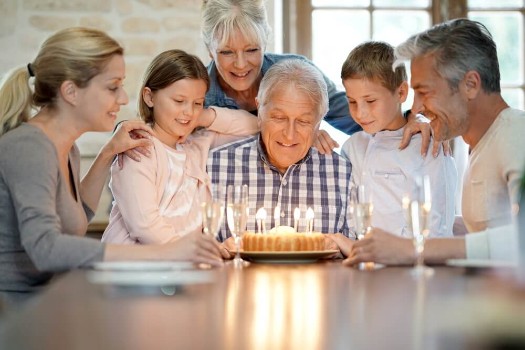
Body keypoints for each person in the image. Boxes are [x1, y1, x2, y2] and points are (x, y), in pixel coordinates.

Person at [0, 28, 223, 305]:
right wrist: (168, 251)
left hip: (49, 297)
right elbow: (46, 248)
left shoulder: (68, 149)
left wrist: (108, 153)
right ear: (71, 91)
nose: (123, 98)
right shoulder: (29, 147)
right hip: (15, 310)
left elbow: (75, 220)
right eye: (112, 86)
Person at [331, 19, 525, 265]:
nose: (416, 109)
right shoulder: (480, 147)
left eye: (424, 92)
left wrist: (414, 249)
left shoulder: (517, 134)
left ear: (470, 85)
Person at [200, 0, 443, 156]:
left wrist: (412, 117)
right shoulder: (197, 93)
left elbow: (362, 115)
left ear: (265, 41)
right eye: (226, 52)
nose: (241, 64)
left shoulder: (295, 71)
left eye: (252, 50)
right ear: (210, 49)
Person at [101, 49, 258, 245]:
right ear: (149, 97)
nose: (188, 111)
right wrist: (193, 253)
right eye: (179, 101)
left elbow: (254, 127)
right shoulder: (138, 148)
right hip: (133, 265)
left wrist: (204, 116)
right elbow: (145, 226)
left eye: (197, 103)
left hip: (181, 265)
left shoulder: (197, 144)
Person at [208, 58, 351, 243]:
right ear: (259, 110)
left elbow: (356, 256)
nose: (289, 135)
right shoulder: (215, 166)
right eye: (279, 117)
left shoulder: (343, 175)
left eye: (303, 121)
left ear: (319, 121)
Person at [339, 41, 457, 237]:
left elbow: (438, 227)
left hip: (412, 261)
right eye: (352, 102)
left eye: (370, 101)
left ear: (401, 92)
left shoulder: (429, 147)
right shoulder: (351, 148)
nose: (360, 113)